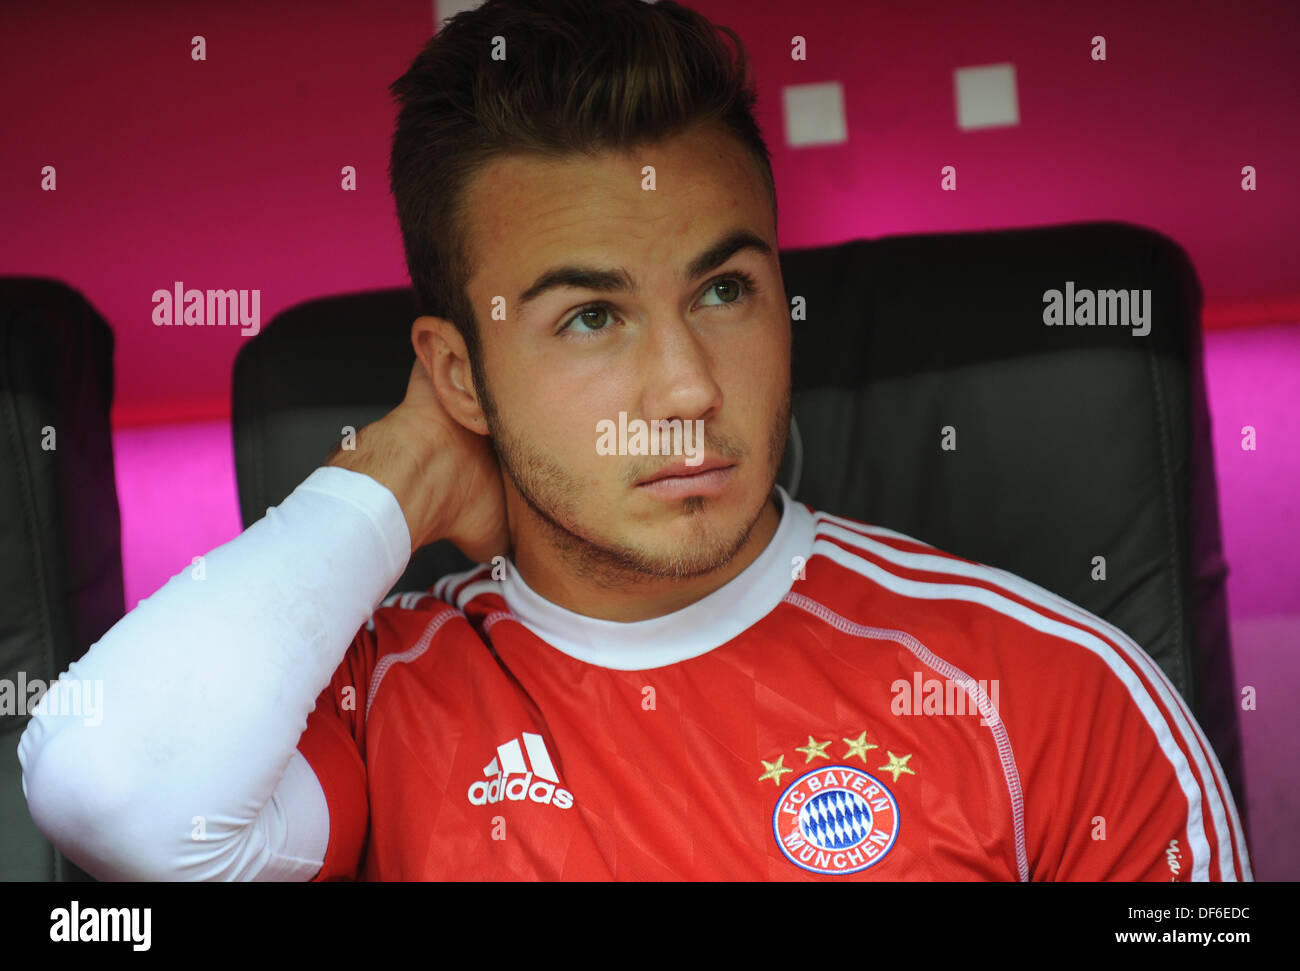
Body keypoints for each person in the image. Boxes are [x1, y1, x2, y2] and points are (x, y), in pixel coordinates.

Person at [19, 0, 1249, 881]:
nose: (686, 384)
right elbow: (110, 792)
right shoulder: (371, 698)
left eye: (724, 291)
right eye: (590, 315)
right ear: (462, 372)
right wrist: (396, 467)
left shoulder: (1060, 693)